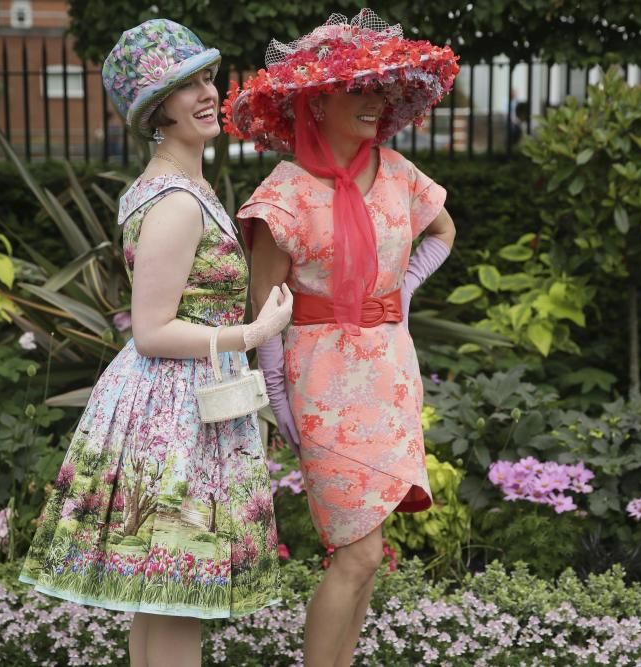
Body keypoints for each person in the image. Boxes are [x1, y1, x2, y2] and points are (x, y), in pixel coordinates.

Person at [19, 19, 293, 667]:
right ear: (153, 110)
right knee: (176, 600)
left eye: (205, 77)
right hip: (174, 418)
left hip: (177, 403)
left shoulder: (182, 185)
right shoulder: (175, 200)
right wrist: (254, 333)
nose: (205, 93)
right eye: (183, 86)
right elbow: (152, 329)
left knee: (162, 600)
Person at [224, 9, 458, 666]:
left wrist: (404, 288)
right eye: (359, 89)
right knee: (354, 551)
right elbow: (264, 309)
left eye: (380, 89)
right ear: (319, 101)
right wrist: (277, 395)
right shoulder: (283, 195)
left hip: (390, 373)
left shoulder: (399, 173)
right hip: (321, 385)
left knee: (373, 551)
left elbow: (444, 232)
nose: (375, 101)